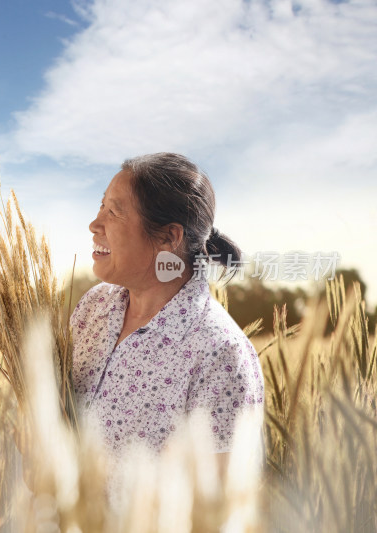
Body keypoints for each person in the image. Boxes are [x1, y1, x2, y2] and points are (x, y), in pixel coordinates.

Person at [70, 152, 264, 461]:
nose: (95, 224)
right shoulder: (93, 308)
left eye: (115, 212)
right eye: (101, 205)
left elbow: (220, 503)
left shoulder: (219, 353)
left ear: (169, 236)